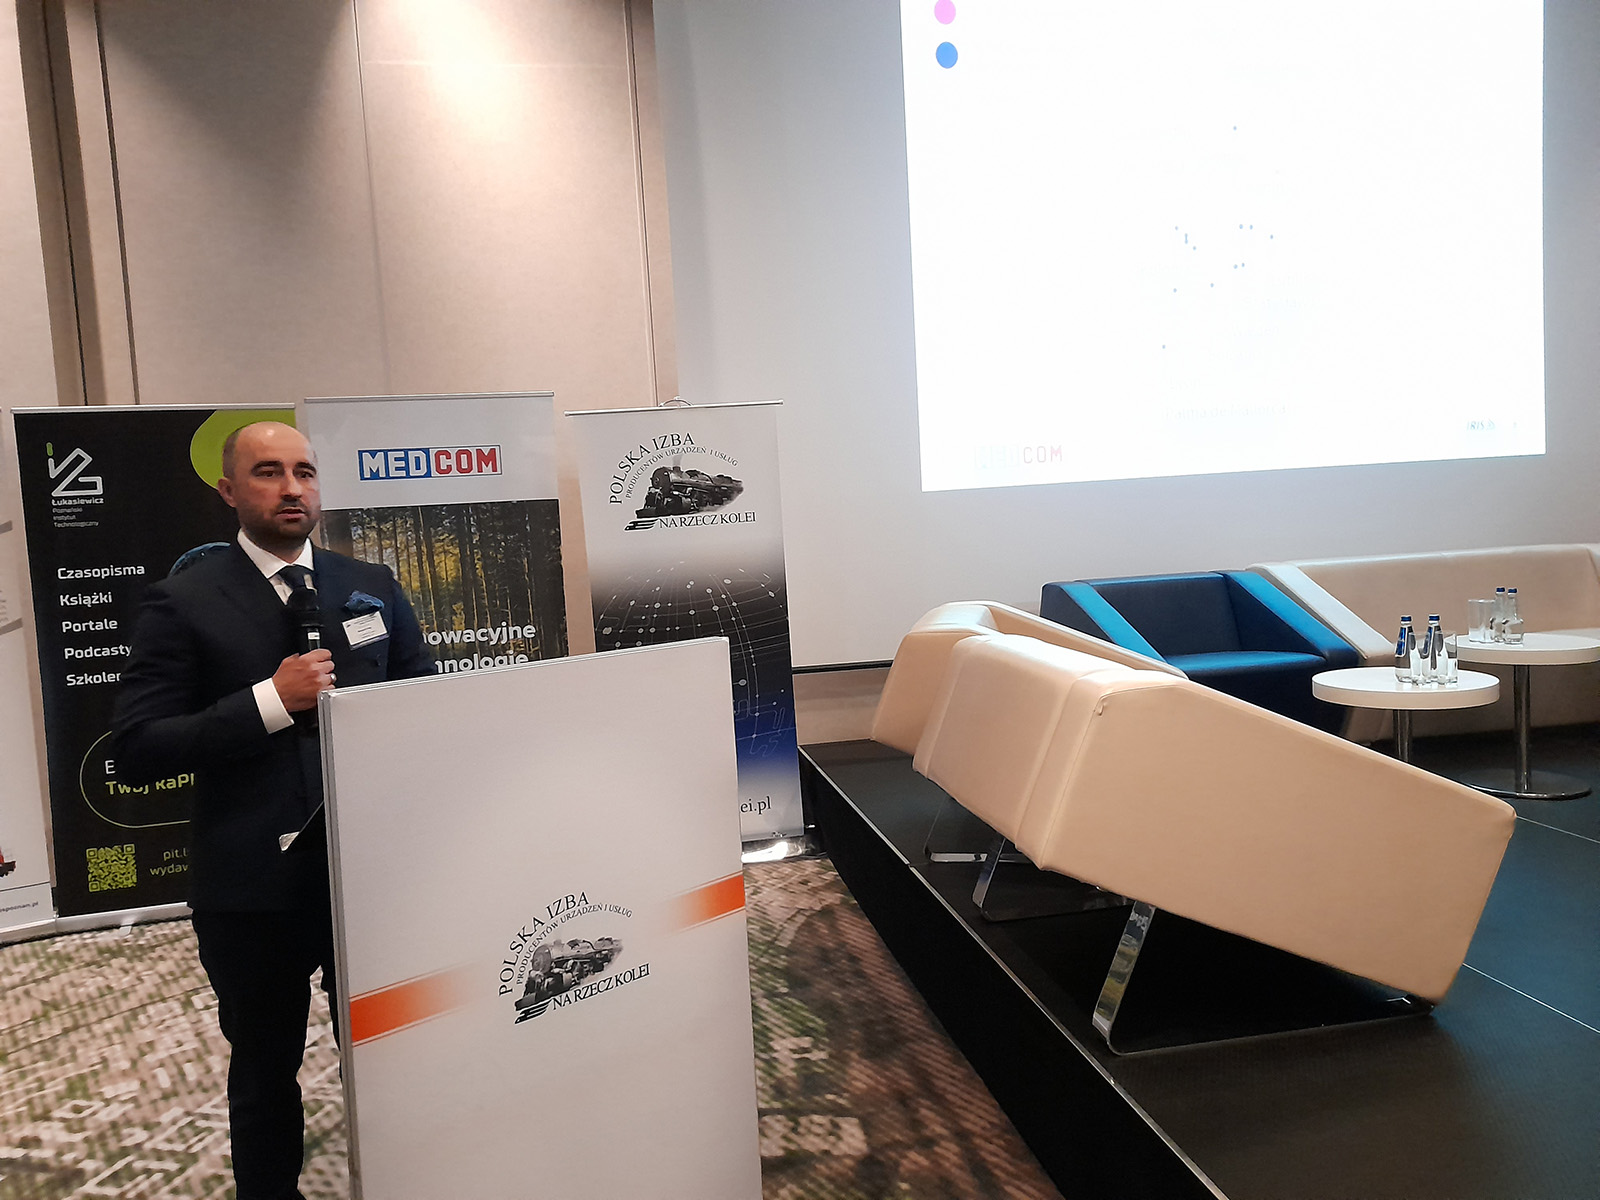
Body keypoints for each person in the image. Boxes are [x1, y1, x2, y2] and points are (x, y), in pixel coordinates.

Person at [112, 421, 433, 1200]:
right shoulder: (182, 602)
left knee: (396, 1057)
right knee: (265, 1071)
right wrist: (270, 701)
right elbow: (138, 748)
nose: (292, 488)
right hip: (252, 891)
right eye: (267, 472)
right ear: (229, 490)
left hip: (373, 880)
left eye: (304, 471)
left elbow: (428, 704)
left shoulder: (370, 585)